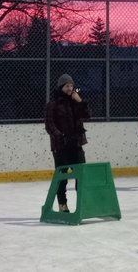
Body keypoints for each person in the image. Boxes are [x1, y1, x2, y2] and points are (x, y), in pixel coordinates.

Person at [44, 73, 90, 213]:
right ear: (61, 87)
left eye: (71, 85)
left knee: (81, 175)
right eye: (67, 86)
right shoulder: (53, 104)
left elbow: (87, 114)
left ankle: (83, 203)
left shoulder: (75, 102)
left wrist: (80, 101)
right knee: (63, 177)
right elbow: (49, 125)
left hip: (76, 144)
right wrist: (61, 136)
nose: (70, 88)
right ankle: (62, 204)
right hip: (61, 147)